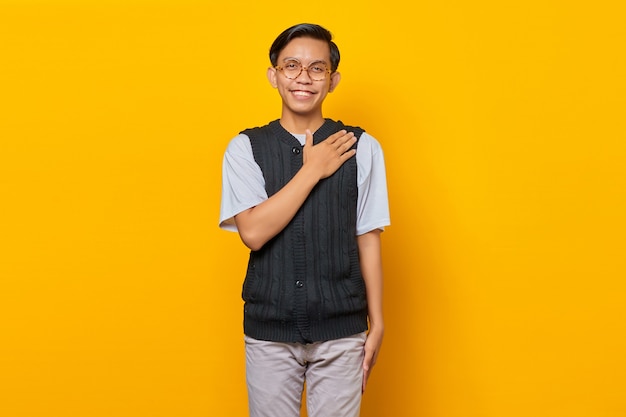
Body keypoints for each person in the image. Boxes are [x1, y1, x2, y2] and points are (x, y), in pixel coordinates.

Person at [219, 23, 390, 417]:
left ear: (333, 80)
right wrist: (313, 169)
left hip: (342, 332)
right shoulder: (245, 148)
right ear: (273, 74)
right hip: (269, 333)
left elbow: (368, 236)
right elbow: (254, 232)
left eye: (317, 68)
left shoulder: (362, 147)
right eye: (291, 65)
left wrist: (377, 322)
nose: (303, 78)